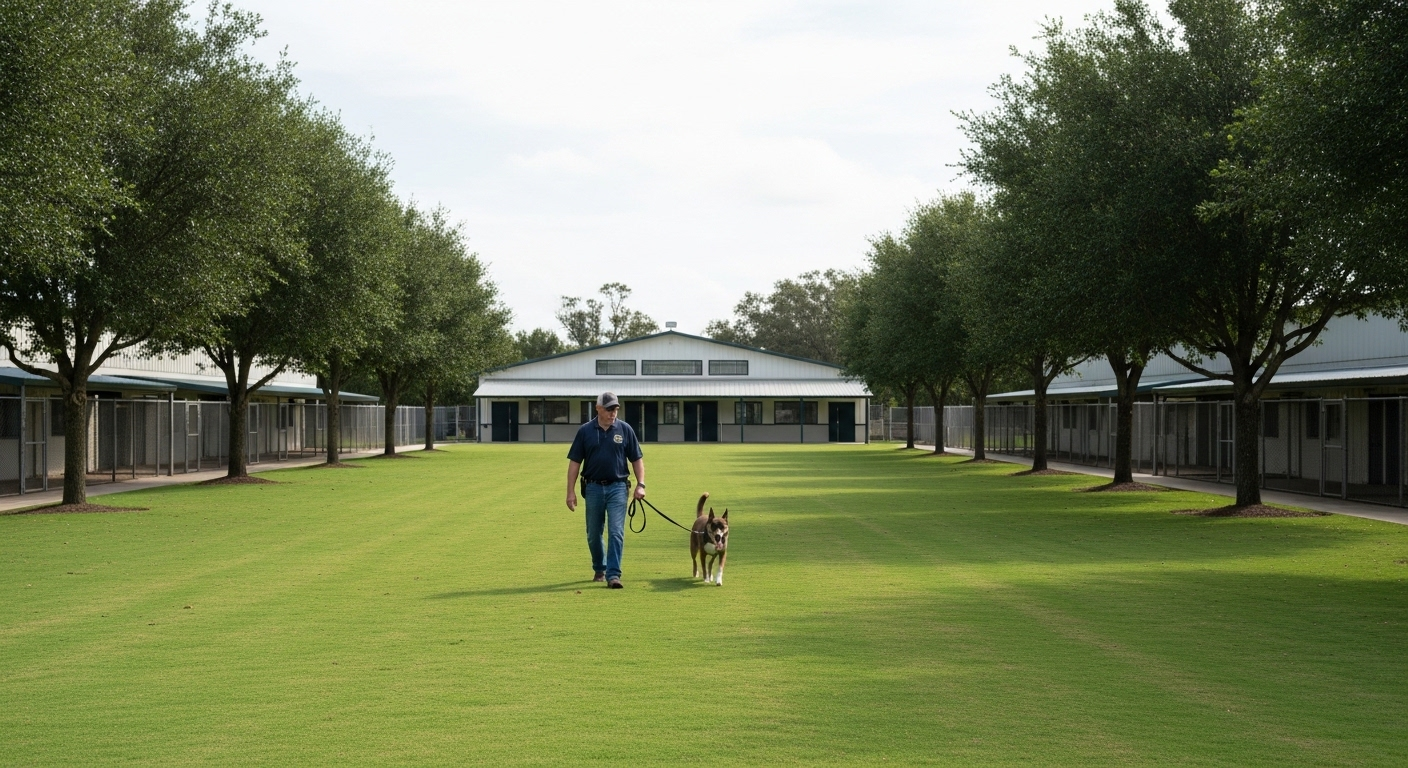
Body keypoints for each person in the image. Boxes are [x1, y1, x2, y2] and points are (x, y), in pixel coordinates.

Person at [566, 392, 645, 588]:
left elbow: (637, 459)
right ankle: (599, 568)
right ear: (598, 408)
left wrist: (641, 484)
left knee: (616, 531)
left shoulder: (625, 430)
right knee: (593, 533)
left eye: (615, 409)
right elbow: (575, 463)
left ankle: (613, 574)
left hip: (618, 487)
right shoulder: (585, 431)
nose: (613, 413)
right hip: (592, 487)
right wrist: (570, 492)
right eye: (609, 409)